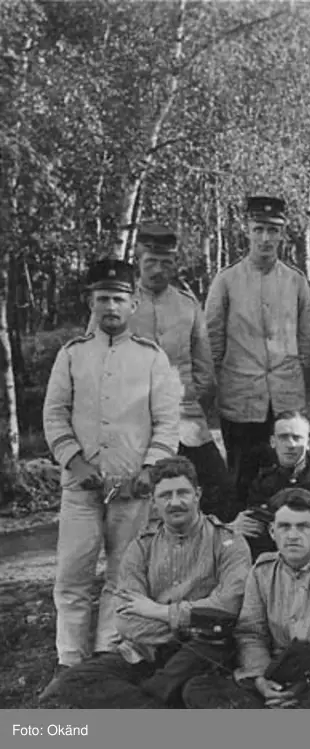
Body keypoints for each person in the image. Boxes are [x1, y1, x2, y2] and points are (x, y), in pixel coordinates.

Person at [40, 257, 181, 701]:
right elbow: (54, 414)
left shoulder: (152, 357)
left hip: (133, 490)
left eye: (119, 299)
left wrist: (150, 470)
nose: (111, 307)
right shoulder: (72, 354)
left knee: (124, 575)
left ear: (133, 303)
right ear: (90, 302)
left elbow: (168, 423)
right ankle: (69, 660)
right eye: (102, 298)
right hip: (80, 488)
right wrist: (74, 461)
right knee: (73, 573)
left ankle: (107, 656)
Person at [45, 456, 251, 708]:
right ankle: (157, 705)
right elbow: (126, 620)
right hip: (147, 652)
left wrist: (157, 612)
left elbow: (227, 609)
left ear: (197, 494)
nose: (175, 502)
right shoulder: (141, 547)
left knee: (198, 674)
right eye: (165, 495)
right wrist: (192, 622)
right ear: (153, 501)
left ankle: (147, 701)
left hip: (202, 653)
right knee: (73, 682)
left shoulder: (228, 542)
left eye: (183, 493)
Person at [86, 223, 232, 513]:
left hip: (186, 422)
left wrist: (190, 400)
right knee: (136, 507)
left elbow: (204, 370)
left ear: (175, 264)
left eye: (166, 263)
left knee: (221, 493)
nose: (158, 270)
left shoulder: (188, 305)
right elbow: (91, 363)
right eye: (151, 262)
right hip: (132, 426)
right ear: (138, 261)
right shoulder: (117, 305)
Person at [181, 488, 310, 709]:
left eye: (303, 527)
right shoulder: (261, 571)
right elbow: (251, 633)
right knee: (198, 688)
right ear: (272, 531)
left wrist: (307, 678)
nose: (293, 536)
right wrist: (262, 680)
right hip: (275, 670)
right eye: (284, 527)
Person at [206, 195, 310, 502]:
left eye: (273, 230)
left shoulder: (295, 281)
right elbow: (212, 339)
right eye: (259, 229)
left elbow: (306, 338)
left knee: (291, 473)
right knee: (243, 476)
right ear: (248, 231)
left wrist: (290, 370)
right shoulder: (227, 280)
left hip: (285, 396)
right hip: (241, 397)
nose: (265, 238)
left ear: (282, 234)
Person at [221, 411, 310, 560]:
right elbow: (246, 519)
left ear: (309, 442)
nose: (290, 445)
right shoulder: (257, 475)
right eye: (283, 437)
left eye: (297, 438)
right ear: (273, 442)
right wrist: (234, 527)